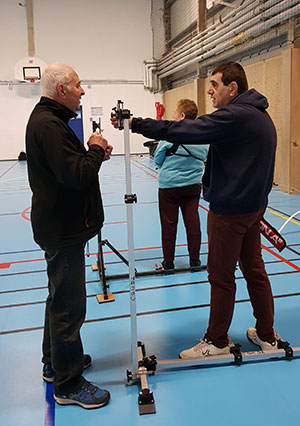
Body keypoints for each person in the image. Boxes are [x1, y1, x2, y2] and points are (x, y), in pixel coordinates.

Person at [111, 61, 284, 358]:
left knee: (220, 275)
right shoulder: (258, 114)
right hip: (252, 208)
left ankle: (217, 341)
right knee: (255, 271)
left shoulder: (236, 116)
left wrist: (137, 124)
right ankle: (266, 335)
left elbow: (185, 129)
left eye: (215, 85)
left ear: (233, 88)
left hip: (231, 212)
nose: (210, 91)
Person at [26, 63, 112, 408]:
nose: (82, 91)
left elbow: (68, 167)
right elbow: (77, 175)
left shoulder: (51, 121)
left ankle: (55, 362)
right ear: (61, 89)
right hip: (62, 230)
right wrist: (92, 149)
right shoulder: (49, 125)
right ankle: (69, 383)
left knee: (57, 299)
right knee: (68, 307)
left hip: (59, 225)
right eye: (77, 85)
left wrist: (93, 155)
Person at [153, 99, 209, 271]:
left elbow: (157, 159)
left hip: (169, 186)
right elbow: (206, 156)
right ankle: (195, 260)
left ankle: (168, 262)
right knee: (193, 221)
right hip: (192, 186)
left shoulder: (170, 135)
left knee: (169, 223)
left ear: (182, 116)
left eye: (175, 113)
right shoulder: (203, 137)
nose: (173, 117)